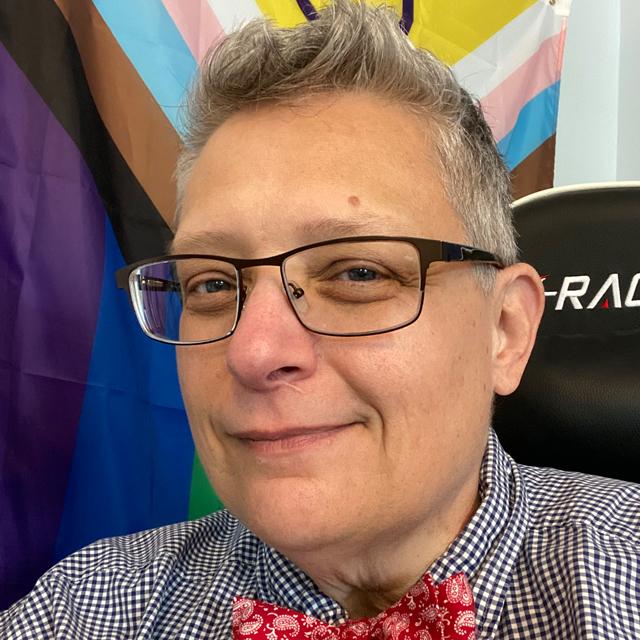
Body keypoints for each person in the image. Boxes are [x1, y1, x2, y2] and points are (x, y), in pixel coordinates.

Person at [2, 2, 639, 638]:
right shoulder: (85, 608)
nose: (253, 353)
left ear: (506, 331)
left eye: (357, 274)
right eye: (213, 284)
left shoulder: (622, 580)